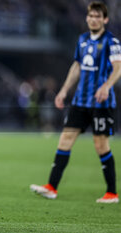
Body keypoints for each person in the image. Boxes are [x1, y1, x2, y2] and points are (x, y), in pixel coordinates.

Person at [30, 1, 121, 203]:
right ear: (87, 17)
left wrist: (106, 86)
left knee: (101, 145)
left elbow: (118, 68)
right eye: (91, 16)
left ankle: (112, 193)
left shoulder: (111, 42)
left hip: (101, 103)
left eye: (98, 16)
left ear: (105, 19)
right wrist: (63, 90)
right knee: (65, 140)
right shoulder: (82, 39)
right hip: (80, 102)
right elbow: (76, 67)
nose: (93, 19)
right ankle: (51, 187)